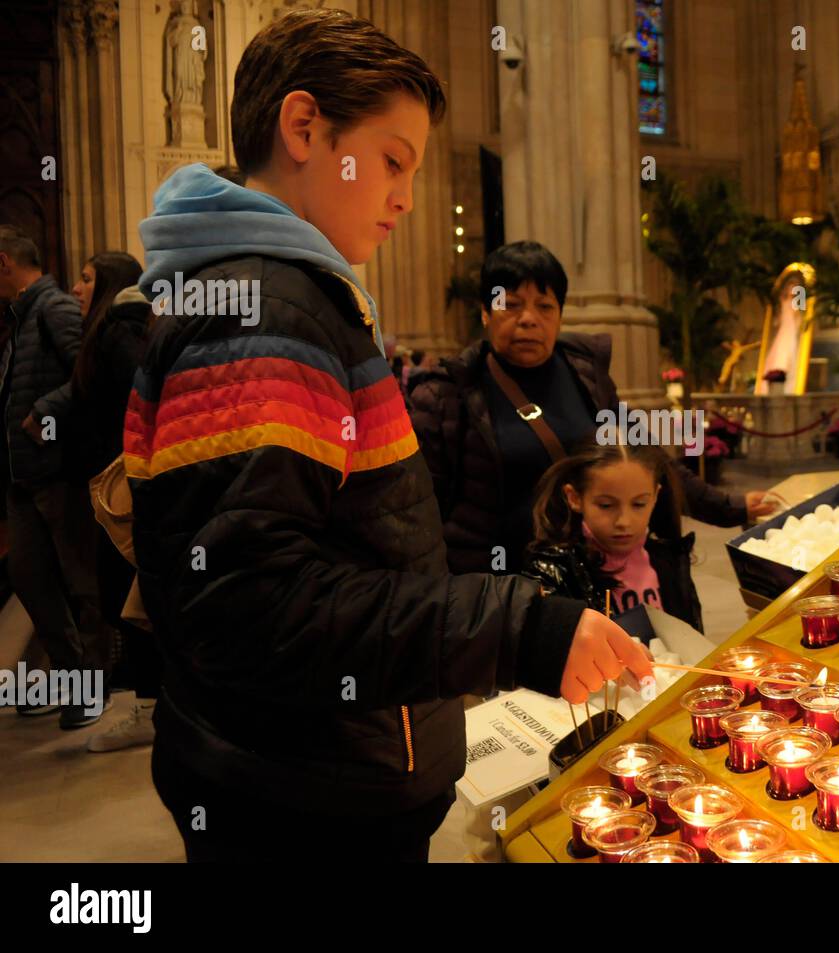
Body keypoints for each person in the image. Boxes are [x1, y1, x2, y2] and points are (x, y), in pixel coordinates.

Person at [128, 8, 650, 862]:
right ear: (305, 128)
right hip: (303, 798)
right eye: (393, 161)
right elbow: (249, 606)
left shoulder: (286, 298)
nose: (406, 197)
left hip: (318, 766)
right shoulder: (265, 312)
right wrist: (516, 629)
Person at [408, 240, 778, 576]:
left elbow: (648, 459)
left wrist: (733, 506)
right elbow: (419, 515)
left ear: (559, 314)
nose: (528, 318)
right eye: (511, 304)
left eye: (544, 306)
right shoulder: (446, 395)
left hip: (585, 577)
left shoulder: (585, 375)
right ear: (486, 312)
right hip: (499, 589)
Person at [0, 224, 111, 729]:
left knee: (82, 583)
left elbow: (90, 374)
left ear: (5, 263)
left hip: (58, 470)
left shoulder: (53, 308)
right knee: (29, 577)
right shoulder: (22, 315)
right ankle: (69, 677)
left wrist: (45, 410)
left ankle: (94, 686)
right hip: (25, 475)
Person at [52, 251, 162, 751]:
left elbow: (137, 401)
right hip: (118, 481)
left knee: (128, 597)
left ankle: (149, 709)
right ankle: (150, 705)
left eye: (86, 278)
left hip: (124, 485)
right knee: (125, 596)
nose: (76, 288)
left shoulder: (119, 330)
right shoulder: (118, 328)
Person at [524, 440, 702, 632]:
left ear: (655, 496)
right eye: (606, 505)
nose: (624, 521)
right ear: (575, 498)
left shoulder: (670, 561)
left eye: (639, 504)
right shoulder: (556, 573)